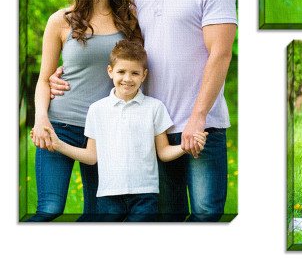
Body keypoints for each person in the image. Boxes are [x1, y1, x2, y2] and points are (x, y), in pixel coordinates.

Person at [50, 0, 238, 222]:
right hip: (154, 130)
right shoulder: (138, 1)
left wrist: (198, 117)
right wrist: (61, 74)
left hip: (200, 126)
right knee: (165, 219)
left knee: (206, 216)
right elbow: (122, 59)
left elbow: (221, 54)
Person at [28, 0, 141, 221]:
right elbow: (44, 79)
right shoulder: (61, 20)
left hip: (106, 131)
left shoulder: (129, 19)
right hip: (60, 126)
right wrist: (41, 118)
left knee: (102, 215)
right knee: (49, 209)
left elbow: (136, 71)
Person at [41, 40, 208, 222]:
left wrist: (186, 146)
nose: (127, 79)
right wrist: (58, 144)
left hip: (145, 196)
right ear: (110, 71)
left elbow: (164, 152)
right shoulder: (97, 109)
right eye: (121, 72)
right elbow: (91, 156)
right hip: (108, 195)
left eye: (135, 73)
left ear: (144, 75)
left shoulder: (155, 107)